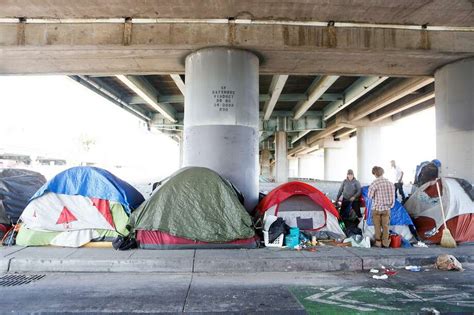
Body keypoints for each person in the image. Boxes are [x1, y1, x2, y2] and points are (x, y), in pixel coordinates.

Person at [368, 166, 395, 248]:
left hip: (376, 208)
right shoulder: (390, 183)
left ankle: (378, 243)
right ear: (383, 173)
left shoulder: (375, 183)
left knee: (377, 226)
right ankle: (386, 243)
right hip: (387, 209)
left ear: (375, 174)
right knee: (386, 226)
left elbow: (369, 196)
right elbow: (393, 198)